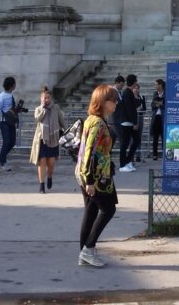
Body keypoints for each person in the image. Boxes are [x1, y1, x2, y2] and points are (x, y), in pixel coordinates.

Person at [77, 83, 119, 268]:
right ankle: (88, 249)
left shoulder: (93, 119)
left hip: (93, 175)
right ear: (103, 102)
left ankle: (85, 252)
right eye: (113, 100)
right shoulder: (97, 123)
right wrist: (90, 180)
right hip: (96, 178)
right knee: (108, 209)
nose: (116, 103)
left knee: (91, 210)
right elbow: (89, 152)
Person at [30, 86, 66, 193]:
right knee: (42, 162)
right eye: (44, 98)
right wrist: (43, 109)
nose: (46, 100)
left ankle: (49, 176)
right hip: (42, 139)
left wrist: (66, 130)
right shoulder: (38, 109)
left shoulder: (56, 108)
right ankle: (41, 185)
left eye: (48, 98)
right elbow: (37, 119)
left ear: (51, 98)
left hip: (53, 139)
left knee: (50, 163)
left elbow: (61, 120)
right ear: (41, 99)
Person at [0, 76, 21, 171]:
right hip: (4, 122)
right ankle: (3, 162)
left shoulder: (11, 95)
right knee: (7, 142)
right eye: (14, 84)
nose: (15, 85)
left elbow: (11, 109)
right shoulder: (2, 96)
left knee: (12, 142)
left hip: (11, 121)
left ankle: (1, 155)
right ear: (11, 85)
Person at [118, 74, 139, 172]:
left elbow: (136, 105)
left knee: (136, 141)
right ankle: (122, 165)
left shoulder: (130, 92)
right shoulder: (127, 92)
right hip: (127, 122)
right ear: (134, 82)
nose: (136, 83)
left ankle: (127, 161)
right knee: (125, 144)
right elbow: (130, 109)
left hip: (129, 122)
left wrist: (135, 95)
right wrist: (135, 122)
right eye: (136, 81)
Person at [150, 78, 165, 160]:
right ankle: (154, 154)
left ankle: (164, 154)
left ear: (160, 85)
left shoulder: (166, 94)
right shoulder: (155, 94)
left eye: (156, 84)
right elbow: (152, 105)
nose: (155, 86)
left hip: (163, 117)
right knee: (155, 137)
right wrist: (156, 105)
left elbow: (168, 105)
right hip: (156, 117)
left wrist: (161, 105)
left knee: (163, 136)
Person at [134, 82, 147, 163]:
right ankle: (132, 155)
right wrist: (136, 109)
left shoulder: (142, 97)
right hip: (133, 118)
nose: (136, 90)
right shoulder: (130, 97)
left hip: (140, 118)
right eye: (135, 88)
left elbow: (145, 108)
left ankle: (138, 155)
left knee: (139, 137)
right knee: (133, 138)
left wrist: (141, 109)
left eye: (137, 88)